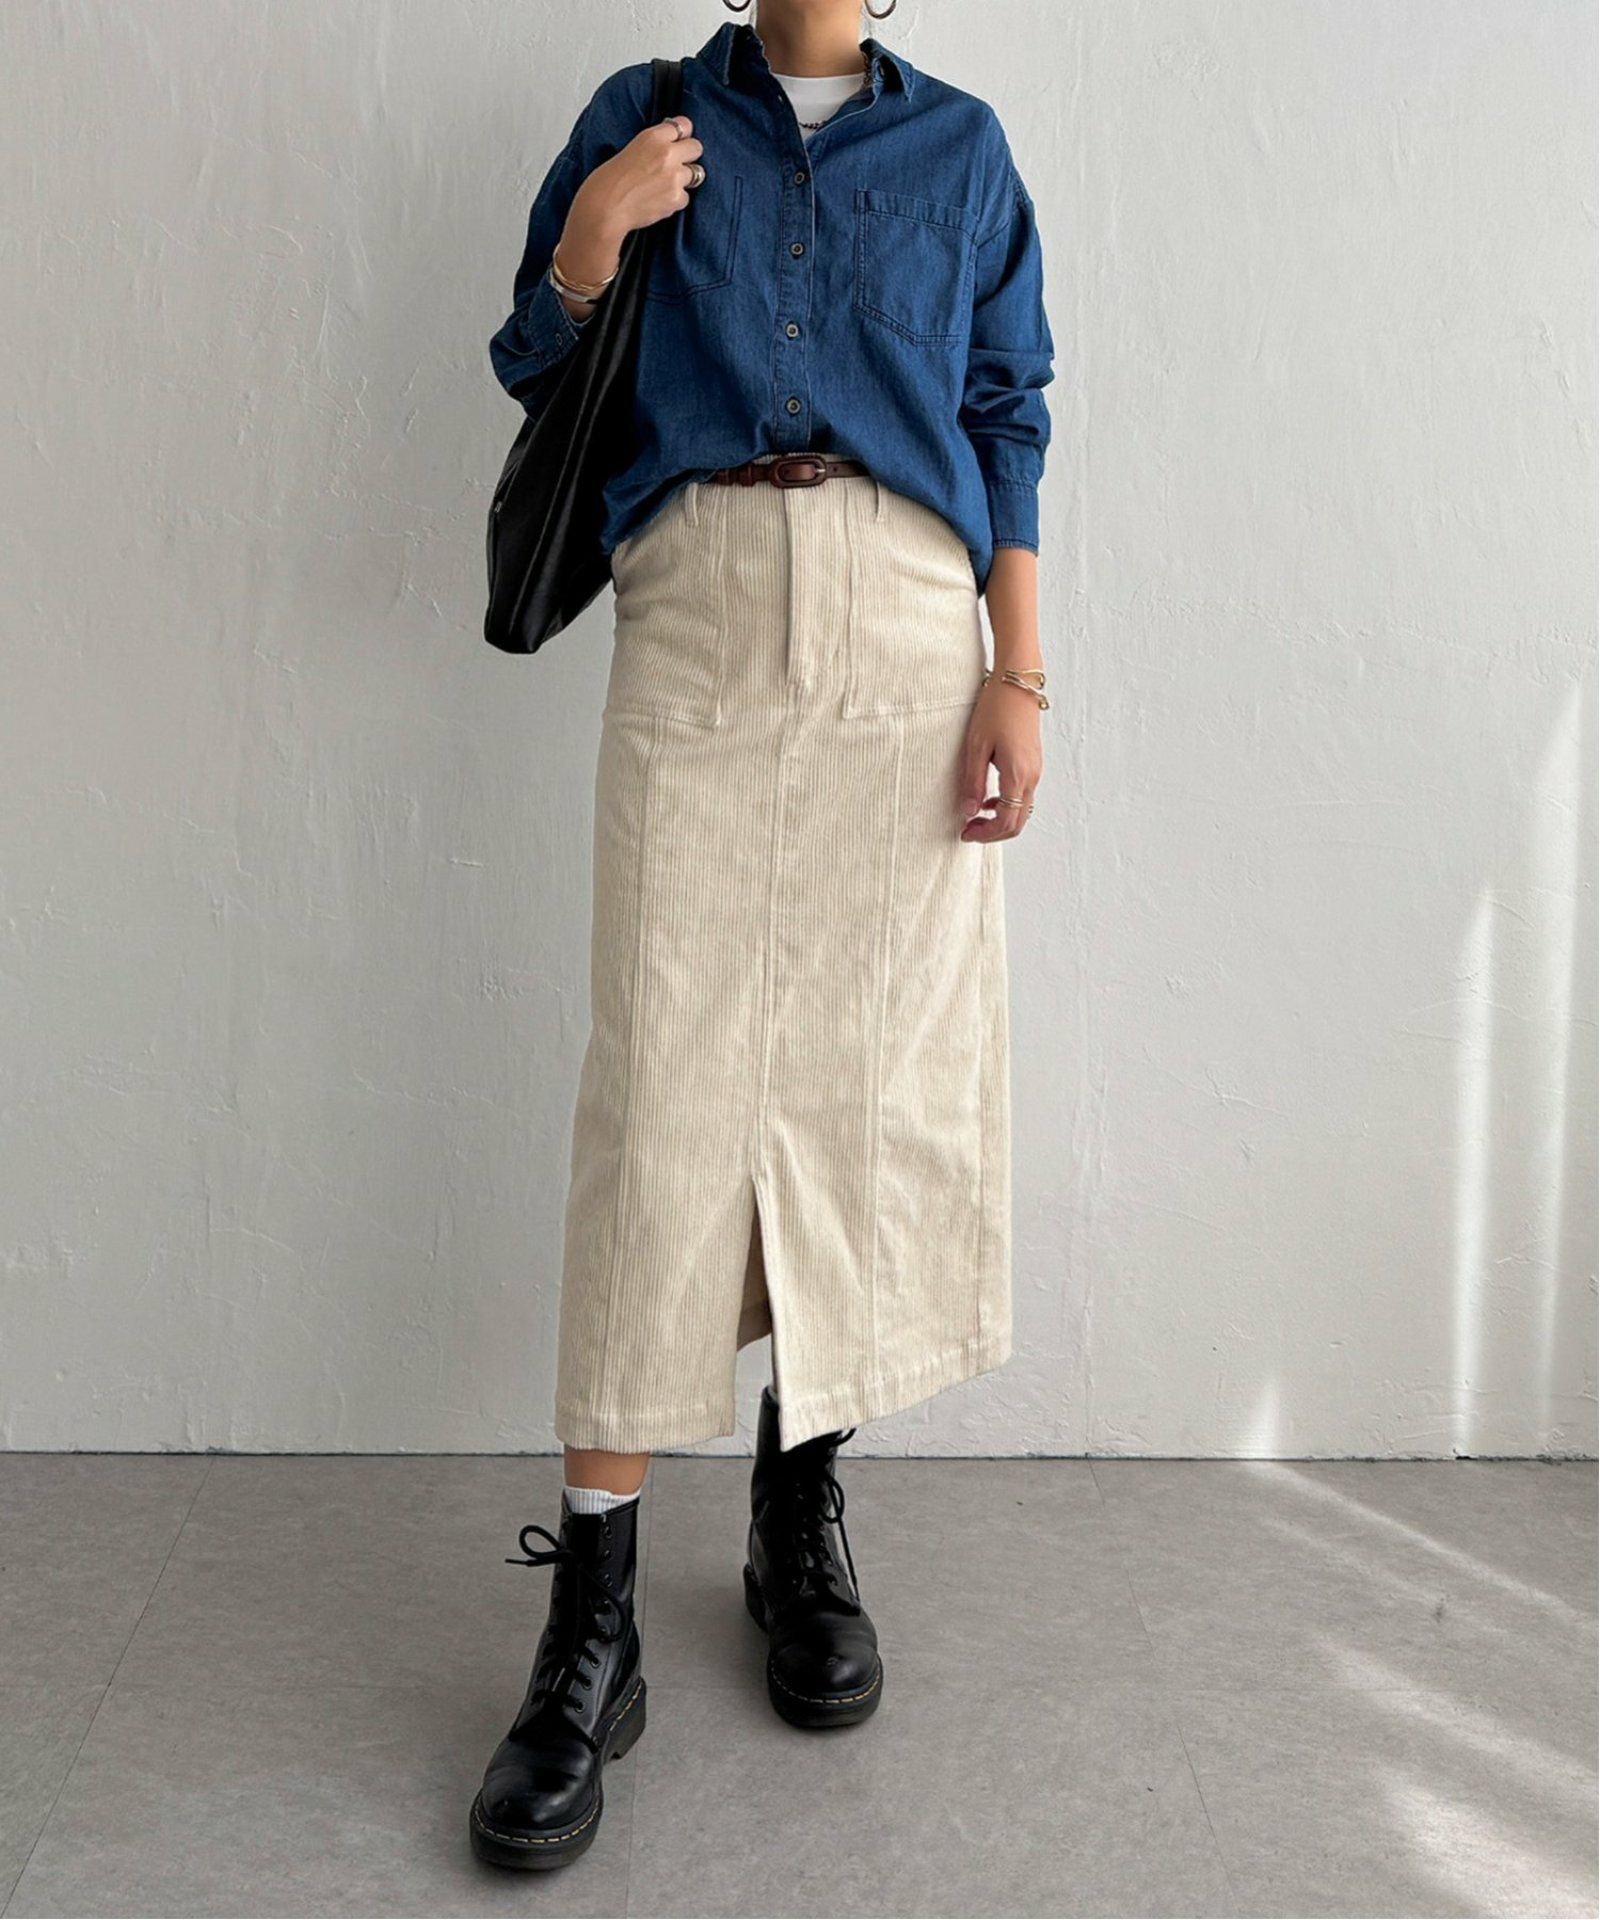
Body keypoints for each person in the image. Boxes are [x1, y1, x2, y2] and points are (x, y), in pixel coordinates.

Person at [470, 0, 1053, 1870]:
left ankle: (798, 1522)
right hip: (698, 614)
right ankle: (594, 1620)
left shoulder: (963, 149)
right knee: (661, 1103)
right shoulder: (646, 112)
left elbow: (1007, 411)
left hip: (907, 632)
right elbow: (528, 356)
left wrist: (1021, 672)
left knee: (851, 1092)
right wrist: (594, 234)